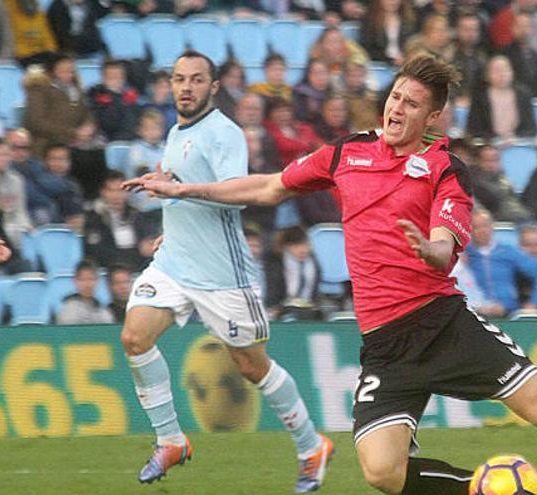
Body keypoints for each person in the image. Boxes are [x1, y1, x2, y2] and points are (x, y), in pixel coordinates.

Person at [127, 53, 537, 495]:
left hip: (442, 324)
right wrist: (185, 190)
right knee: (382, 472)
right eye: (395, 97)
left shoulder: (444, 168)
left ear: (433, 117)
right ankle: (484, 487)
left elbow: (447, 238)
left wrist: (431, 252)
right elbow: (270, 186)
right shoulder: (347, 152)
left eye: (411, 103)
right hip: (384, 344)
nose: (397, 108)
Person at [117, 50, 333, 491]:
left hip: (222, 275)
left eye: (197, 79)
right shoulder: (176, 132)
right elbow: (182, 190)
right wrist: (170, 218)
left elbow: (234, 193)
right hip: (174, 262)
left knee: (251, 365)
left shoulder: (224, 134)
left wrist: (176, 189)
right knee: (134, 337)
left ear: (214, 87)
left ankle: (312, 446)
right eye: (179, 78)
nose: (186, 87)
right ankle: (171, 440)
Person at [465, 210, 537, 318]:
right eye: (475, 227)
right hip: (474, 314)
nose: (481, 231)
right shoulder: (464, 254)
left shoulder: (508, 251)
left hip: (507, 313)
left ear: (492, 227)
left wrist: (534, 304)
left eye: (485, 226)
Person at [57, 259, 115, 324]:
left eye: (91, 279)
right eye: (82, 279)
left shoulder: (104, 312)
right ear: (75, 281)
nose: (87, 284)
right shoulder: (68, 310)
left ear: (97, 280)